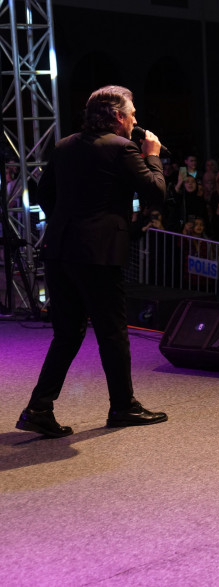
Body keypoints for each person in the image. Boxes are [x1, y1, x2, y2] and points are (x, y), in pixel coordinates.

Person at [17, 85, 168, 437]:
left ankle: (39, 407)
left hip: (60, 250)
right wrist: (154, 155)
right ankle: (123, 407)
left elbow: (44, 195)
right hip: (98, 254)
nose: (135, 120)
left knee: (67, 334)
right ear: (117, 116)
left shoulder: (64, 146)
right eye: (131, 114)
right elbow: (156, 193)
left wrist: (67, 223)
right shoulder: (123, 148)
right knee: (112, 332)